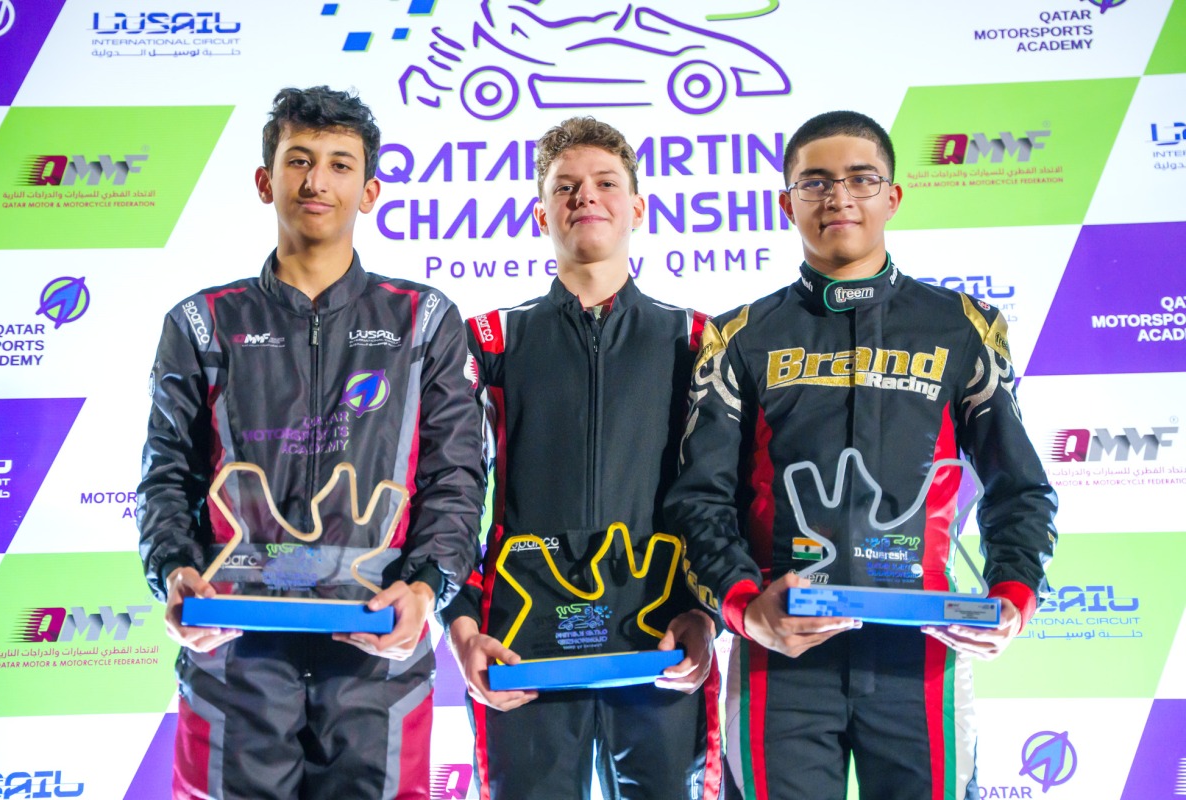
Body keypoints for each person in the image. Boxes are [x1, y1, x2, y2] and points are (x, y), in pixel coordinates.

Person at [664, 110, 1058, 800]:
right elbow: (699, 502)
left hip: (921, 652)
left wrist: (1015, 595)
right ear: (786, 203)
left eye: (860, 179)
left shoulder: (962, 327)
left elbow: (1019, 487)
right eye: (815, 183)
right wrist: (745, 609)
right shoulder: (739, 336)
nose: (838, 197)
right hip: (781, 655)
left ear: (892, 196)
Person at [136, 85, 484, 799]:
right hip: (234, 638)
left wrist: (426, 588)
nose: (316, 181)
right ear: (266, 182)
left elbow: (456, 479)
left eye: (338, 164)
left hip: (375, 636)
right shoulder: (202, 322)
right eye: (298, 161)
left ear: (370, 189)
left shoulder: (425, 320)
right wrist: (174, 573)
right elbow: (166, 474)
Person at [441, 116, 723, 800]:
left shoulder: (697, 339)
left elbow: (720, 496)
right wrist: (461, 625)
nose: (584, 197)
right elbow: (448, 496)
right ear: (542, 212)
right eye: (565, 186)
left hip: (660, 638)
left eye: (604, 183)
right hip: (522, 645)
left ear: (638, 206)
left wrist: (706, 613)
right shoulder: (489, 341)